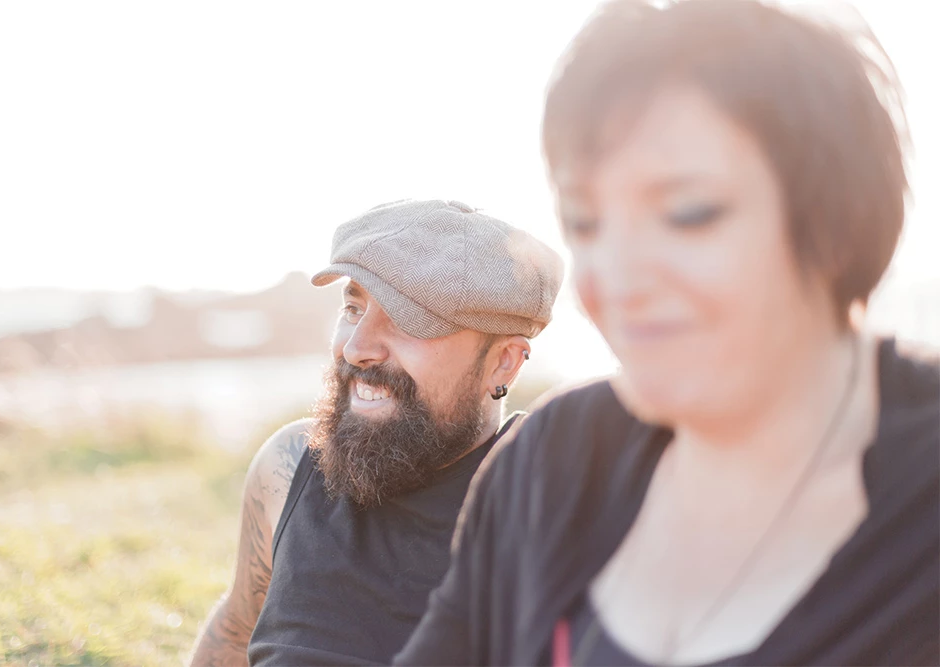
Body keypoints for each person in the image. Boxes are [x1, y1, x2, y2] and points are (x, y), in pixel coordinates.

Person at [396, 2, 939, 665]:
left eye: (687, 213)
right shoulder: (552, 461)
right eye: (587, 222)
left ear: (834, 221)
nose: (618, 278)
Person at [188, 199, 563, 666]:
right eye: (352, 308)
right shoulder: (286, 470)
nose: (357, 347)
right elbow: (234, 628)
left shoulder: (550, 505)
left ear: (503, 361)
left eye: (409, 321)